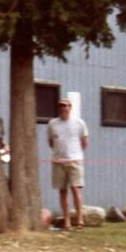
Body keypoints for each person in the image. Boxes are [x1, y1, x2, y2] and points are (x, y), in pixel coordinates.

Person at [47, 98, 89, 230]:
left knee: (75, 189)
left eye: (66, 106)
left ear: (70, 107)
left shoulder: (79, 123)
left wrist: (76, 154)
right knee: (62, 191)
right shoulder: (52, 123)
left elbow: (84, 142)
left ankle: (80, 220)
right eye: (61, 106)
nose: (63, 108)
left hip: (75, 160)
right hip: (58, 161)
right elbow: (51, 142)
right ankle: (67, 221)